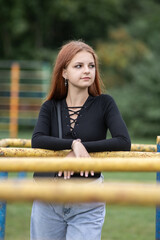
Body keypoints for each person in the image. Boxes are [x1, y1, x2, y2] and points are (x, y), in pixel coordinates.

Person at [30, 40, 131, 240]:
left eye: (91, 66)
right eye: (79, 66)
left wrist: (81, 149)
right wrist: (73, 145)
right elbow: (38, 140)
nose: (87, 71)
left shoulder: (105, 103)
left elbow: (123, 141)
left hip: (88, 197)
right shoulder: (50, 106)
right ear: (64, 72)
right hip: (48, 196)